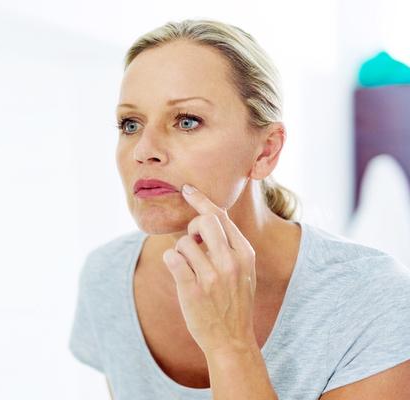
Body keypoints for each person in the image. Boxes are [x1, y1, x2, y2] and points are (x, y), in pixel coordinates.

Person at [69, 19, 410, 399]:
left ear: (265, 150)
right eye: (130, 124)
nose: (143, 150)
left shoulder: (372, 297)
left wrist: (229, 346)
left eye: (186, 121)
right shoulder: (108, 278)